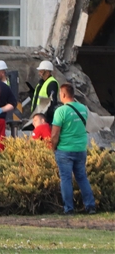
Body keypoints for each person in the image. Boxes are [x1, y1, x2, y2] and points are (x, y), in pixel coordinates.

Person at [51, 83, 96, 215]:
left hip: (65, 149)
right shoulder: (83, 108)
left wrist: (53, 148)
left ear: (63, 94)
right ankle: (90, 206)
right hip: (80, 148)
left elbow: (55, 134)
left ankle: (69, 209)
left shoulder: (61, 111)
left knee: (66, 179)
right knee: (82, 177)